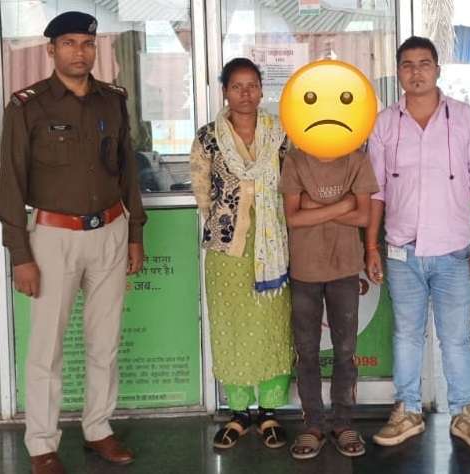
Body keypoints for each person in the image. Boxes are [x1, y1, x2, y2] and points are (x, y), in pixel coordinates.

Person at [0, 11, 147, 474]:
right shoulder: (28, 106)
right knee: (47, 348)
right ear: (51, 50)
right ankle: (42, 442)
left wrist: (135, 234)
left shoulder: (112, 101)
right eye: (69, 43)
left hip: (111, 232)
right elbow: (11, 185)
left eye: (87, 43)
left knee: (105, 342)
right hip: (54, 238)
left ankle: (98, 428)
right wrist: (20, 255)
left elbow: (127, 172)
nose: (80, 52)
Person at [365, 36, 470, 452]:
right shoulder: (385, 124)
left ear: (438, 69)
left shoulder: (465, 119)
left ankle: (464, 413)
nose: (416, 72)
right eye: (407, 65)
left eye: (424, 63)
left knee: (455, 338)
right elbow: (375, 191)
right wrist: (371, 246)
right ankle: (407, 410)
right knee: (406, 334)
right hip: (402, 252)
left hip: (453, 251)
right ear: (398, 73)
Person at [189, 58, 293, 450]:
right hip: (227, 250)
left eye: (252, 85)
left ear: (262, 90)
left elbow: (293, 180)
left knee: (271, 324)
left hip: (273, 246)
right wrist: (227, 221)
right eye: (237, 86)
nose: (245, 93)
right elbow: (201, 188)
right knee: (231, 326)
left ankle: (268, 412)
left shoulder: (280, 132)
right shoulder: (208, 137)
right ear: (225, 92)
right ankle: (238, 412)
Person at [279, 123, 379, 461]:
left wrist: (313, 206)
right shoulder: (295, 160)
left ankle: (342, 422)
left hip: (345, 268)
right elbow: (292, 218)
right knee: (306, 351)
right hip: (304, 270)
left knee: (345, 350)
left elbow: (363, 216)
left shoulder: (356, 159)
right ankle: (313, 424)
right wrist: (341, 204)